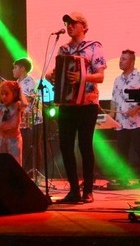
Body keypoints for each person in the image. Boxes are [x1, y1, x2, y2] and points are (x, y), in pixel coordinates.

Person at [47, 12, 106, 204]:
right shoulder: (63, 49)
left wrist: (82, 77)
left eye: (73, 23)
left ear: (84, 26)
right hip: (67, 104)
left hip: (87, 103)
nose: (69, 26)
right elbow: (58, 74)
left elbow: (100, 76)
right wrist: (52, 76)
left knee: (85, 145)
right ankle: (73, 190)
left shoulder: (94, 47)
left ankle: (88, 190)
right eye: (67, 23)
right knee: (65, 146)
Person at [111, 49, 140, 186]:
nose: (120, 61)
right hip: (121, 122)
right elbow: (114, 99)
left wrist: (135, 109)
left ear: (132, 61)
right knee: (122, 151)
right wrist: (111, 115)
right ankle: (123, 178)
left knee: (139, 149)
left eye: (124, 59)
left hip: (137, 121)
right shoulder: (117, 80)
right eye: (120, 59)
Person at [0, 80, 28, 166]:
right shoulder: (0, 107)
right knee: (1, 164)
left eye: (7, 94)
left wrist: (19, 90)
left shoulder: (17, 105)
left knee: (15, 164)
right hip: (2, 138)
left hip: (14, 139)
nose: (4, 97)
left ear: (14, 94)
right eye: (2, 94)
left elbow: (25, 104)